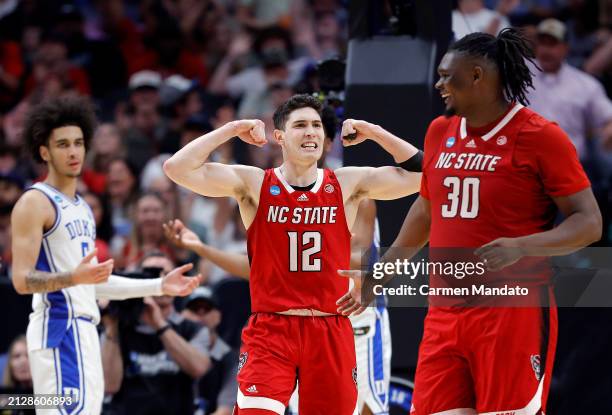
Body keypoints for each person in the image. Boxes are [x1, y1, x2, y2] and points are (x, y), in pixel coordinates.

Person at [338, 29, 602, 415]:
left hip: (512, 311)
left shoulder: (540, 136)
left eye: (448, 75)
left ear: (478, 76)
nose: (439, 84)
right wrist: (382, 273)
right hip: (445, 311)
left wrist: (523, 245)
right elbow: (426, 211)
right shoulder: (440, 131)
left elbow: (589, 223)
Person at [163, 93, 422, 414]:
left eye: (316, 125)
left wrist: (374, 132)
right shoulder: (255, 183)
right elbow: (177, 167)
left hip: (331, 328)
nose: (311, 131)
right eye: (300, 125)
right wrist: (232, 128)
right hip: (272, 329)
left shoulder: (346, 183)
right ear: (280, 137)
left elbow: (425, 176)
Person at [10, 96, 202, 414]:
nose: (73, 152)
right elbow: (21, 280)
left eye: (78, 143)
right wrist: (74, 277)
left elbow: (94, 283)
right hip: (59, 330)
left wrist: (157, 287)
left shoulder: (83, 209)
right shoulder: (35, 202)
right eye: (62, 144)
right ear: (44, 151)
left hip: (86, 331)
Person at [101, 251, 212, 415]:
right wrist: (112, 326)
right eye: (151, 274)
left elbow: (199, 368)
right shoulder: (119, 325)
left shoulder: (191, 328)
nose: (162, 279)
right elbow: (109, 385)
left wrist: (160, 325)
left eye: (167, 274)